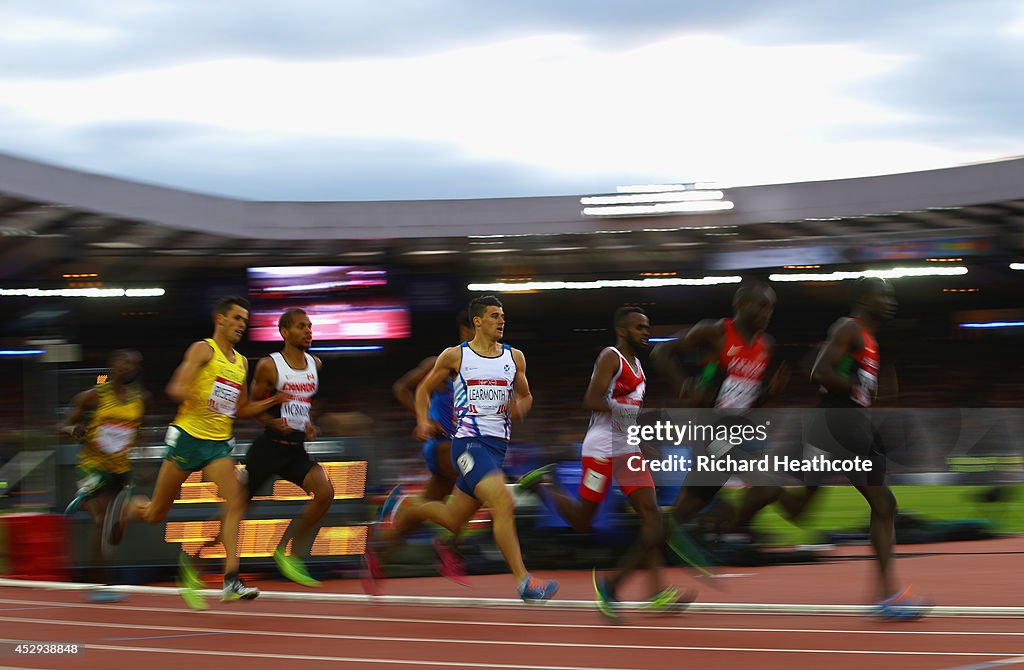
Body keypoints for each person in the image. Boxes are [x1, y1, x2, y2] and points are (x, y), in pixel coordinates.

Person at [754, 277, 929, 619]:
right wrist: (857, 389)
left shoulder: (867, 338)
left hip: (833, 424)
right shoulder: (850, 327)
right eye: (884, 294)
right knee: (885, 503)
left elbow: (830, 373)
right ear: (864, 299)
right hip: (840, 423)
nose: (891, 301)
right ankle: (888, 597)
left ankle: (763, 482)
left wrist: (866, 393)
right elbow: (820, 372)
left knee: (798, 510)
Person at [517, 306, 691, 619]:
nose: (645, 332)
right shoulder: (611, 357)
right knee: (583, 521)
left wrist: (642, 442)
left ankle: (643, 590)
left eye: (647, 327)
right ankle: (544, 485)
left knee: (653, 519)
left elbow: (629, 417)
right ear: (623, 330)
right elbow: (591, 400)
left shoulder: (639, 367)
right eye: (639, 327)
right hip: (600, 450)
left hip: (626, 451)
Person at [381, 295, 558, 601]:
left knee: (452, 519)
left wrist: (520, 407)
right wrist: (423, 420)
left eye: (502, 316)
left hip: (497, 447)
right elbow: (422, 389)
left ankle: (409, 507)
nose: (501, 321)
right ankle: (524, 582)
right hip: (467, 443)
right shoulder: (455, 356)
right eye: (494, 316)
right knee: (503, 502)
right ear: (477, 321)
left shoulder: (515, 358)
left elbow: (526, 394)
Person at [114, 296, 286, 609]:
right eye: (236, 319)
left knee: (236, 499)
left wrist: (271, 403)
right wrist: (196, 396)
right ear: (220, 319)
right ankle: (129, 509)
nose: (241, 325)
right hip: (188, 438)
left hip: (218, 443)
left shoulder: (242, 362)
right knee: (155, 514)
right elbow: (176, 387)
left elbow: (242, 408)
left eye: (245, 321)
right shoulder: (203, 349)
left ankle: (231, 578)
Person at [650, 283, 786, 559]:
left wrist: (768, 394)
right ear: (741, 306)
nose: (767, 313)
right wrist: (683, 385)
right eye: (761, 305)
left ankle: (618, 578)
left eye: (771, 307)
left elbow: (748, 404)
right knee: (769, 486)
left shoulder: (765, 346)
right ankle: (725, 530)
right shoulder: (715, 332)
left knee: (679, 514)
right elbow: (661, 353)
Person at [365, 311, 475, 590]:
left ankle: (380, 556)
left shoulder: (483, 367)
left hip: (459, 445)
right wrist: (424, 420)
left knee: (424, 510)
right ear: (465, 330)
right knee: (478, 480)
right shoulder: (441, 363)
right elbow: (402, 388)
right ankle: (449, 545)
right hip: (441, 445)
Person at [242, 307, 333, 587]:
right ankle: (196, 558)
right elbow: (249, 408)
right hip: (268, 449)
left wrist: (308, 424)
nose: (308, 331)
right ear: (284, 332)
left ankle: (287, 552)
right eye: (301, 327)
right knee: (237, 509)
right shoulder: (270, 365)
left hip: (295, 450)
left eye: (309, 326)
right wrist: (270, 421)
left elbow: (304, 404)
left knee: (325, 492)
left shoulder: (315, 365)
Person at [59, 349, 148, 603]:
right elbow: (60, 426)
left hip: (120, 471)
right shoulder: (92, 397)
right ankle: (100, 583)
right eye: (124, 362)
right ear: (112, 365)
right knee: (100, 522)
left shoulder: (140, 400)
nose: (129, 367)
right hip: (92, 467)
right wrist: (73, 429)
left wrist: (140, 457)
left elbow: (139, 430)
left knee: (113, 532)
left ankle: (114, 516)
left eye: (134, 364)